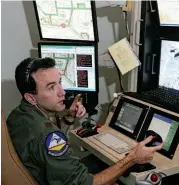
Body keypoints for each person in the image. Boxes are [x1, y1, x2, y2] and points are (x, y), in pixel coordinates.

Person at [6, 57, 163, 185]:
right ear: (31, 98)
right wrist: (132, 158)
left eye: (59, 82)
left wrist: (68, 118)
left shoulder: (18, 115)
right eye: (51, 87)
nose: (63, 92)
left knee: (98, 162)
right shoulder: (47, 136)